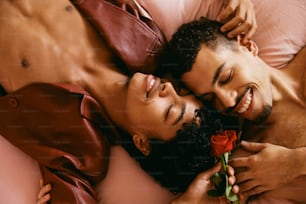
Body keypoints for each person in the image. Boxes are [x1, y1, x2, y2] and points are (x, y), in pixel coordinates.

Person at [0, 1, 245, 203]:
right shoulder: (147, 42)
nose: (168, 88)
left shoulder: (81, 149)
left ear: (142, 143)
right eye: (181, 92)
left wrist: (187, 201)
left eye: (170, 110)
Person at [161, 17, 306, 203]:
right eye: (210, 98)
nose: (228, 101)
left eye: (226, 77)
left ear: (246, 45)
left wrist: (294, 162)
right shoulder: (252, 163)